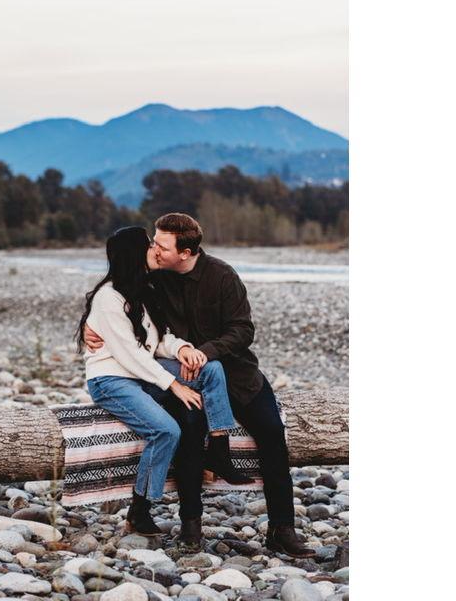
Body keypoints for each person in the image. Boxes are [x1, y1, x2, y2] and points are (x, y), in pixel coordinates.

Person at [85, 214, 316, 557]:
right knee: (189, 429)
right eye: (153, 244)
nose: (156, 250)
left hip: (235, 374)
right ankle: (191, 525)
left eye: (162, 246)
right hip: (181, 375)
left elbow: (243, 330)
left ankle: (282, 529)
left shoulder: (222, 276)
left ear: (186, 252)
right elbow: (118, 298)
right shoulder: (154, 278)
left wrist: (204, 352)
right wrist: (88, 327)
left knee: (271, 431)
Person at [75, 226, 252, 536]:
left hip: (141, 374)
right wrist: (174, 385)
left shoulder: (142, 291)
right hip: (112, 380)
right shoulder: (108, 298)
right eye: (149, 245)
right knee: (166, 430)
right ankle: (140, 509)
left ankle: (220, 451)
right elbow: (130, 355)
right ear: (133, 254)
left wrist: (183, 350)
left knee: (210, 368)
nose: (155, 250)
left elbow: (157, 341)